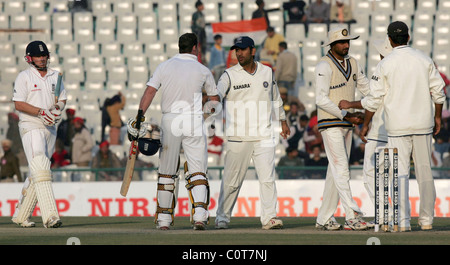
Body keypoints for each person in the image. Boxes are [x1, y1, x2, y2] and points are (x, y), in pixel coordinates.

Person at [127, 33, 219, 230]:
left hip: (170, 119)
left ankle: (164, 220)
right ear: (195, 47)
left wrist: (139, 118)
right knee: (197, 170)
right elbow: (214, 100)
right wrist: (204, 115)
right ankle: (200, 216)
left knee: (167, 172)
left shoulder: (165, 66)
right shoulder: (202, 70)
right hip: (194, 119)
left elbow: (150, 92)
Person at [359, 21, 446, 231]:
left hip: (398, 126)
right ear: (408, 37)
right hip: (423, 124)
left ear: (390, 40)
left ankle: (403, 221)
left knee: (400, 173)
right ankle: (426, 221)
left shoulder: (385, 63)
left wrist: (366, 123)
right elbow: (439, 92)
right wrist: (437, 118)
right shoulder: (424, 59)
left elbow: (374, 98)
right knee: (425, 173)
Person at [214, 36, 290, 230]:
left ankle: (269, 218)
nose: (238, 53)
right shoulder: (229, 75)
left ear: (252, 50)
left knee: (267, 179)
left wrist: (282, 120)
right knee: (232, 182)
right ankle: (222, 217)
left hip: (263, 134)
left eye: (242, 49)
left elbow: (276, 98)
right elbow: (218, 94)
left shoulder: (266, 71)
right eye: (236, 50)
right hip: (238, 136)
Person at [314, 26, 371, 231]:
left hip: (347, 124)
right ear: (332, 44)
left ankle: (324, 218)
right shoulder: (324, 65)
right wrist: (347, 114)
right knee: (341, 169)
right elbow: (321, 99)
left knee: (335, 172)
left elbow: (367, 89)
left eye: (348, 42)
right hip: (331, 123)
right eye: (341, 42)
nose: (346, 45)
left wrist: (371, 106)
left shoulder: (353, 63)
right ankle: (351, 215)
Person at [11, 40, 66, 228]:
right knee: (41, 165)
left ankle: (21, 214)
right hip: (31, 124)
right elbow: (18, 104)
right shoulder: (24, 76)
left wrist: (57, 109)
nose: (42, 59)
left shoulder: (55, 75)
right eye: (38, 56)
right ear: (29, 58)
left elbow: (62, 99)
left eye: (44, 55)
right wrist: (42, 112)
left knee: (38, 171)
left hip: (50, 127)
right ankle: (50, 216)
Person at [338, 36, 392, 227]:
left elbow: (373, 101)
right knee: (391, 177)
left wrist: (359, 116)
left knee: (370, 176)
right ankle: (396, 217)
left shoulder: (383, 69)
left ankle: (384, 216)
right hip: (396, 130)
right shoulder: (400, 70)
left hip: (380, 131)